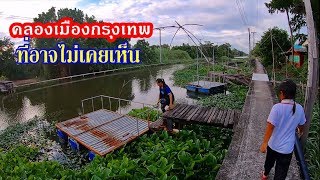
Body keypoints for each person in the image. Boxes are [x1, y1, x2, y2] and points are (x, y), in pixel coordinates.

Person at [260, 79, 306, 180]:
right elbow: (301, 125)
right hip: (287, 149)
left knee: (269, 162)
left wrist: (264, 143)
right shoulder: (299, 108)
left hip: (273, 145)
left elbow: (270, 127)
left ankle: (265, 175)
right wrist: (299, 130)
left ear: (282, 93)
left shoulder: (277, 108)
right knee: (281, 172)